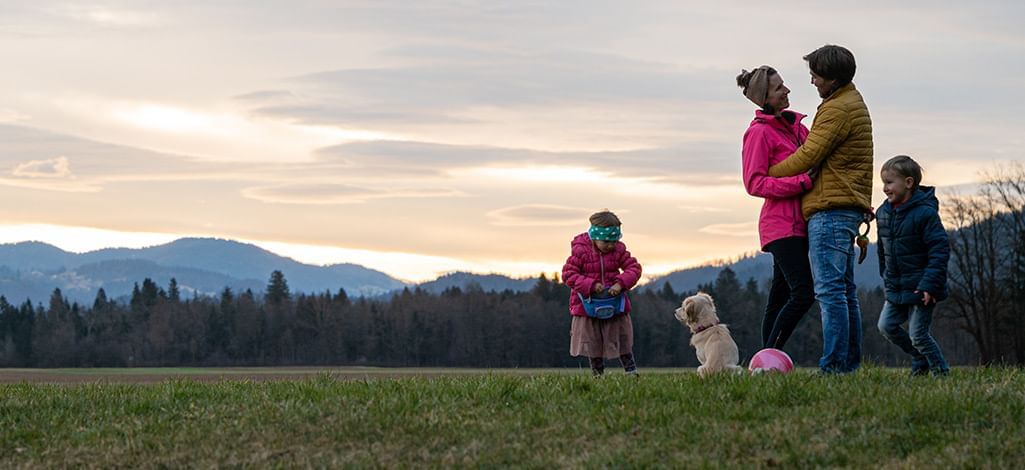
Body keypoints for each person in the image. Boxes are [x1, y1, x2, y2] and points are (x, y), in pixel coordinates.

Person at [767, 44, 874, 374]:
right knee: (844, 291)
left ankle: (834, 366)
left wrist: (770, 172)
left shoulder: (837, 110)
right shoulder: (848, 103)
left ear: (831, 77)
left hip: (831, 208)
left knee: (829, 292)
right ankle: (848, 364)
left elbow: (808, 156)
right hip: (846, 204)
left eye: (815, 75)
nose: (812, 81)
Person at [737, 65, 816, 351]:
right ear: (765, 98)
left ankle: (764, 362)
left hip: (801, 223)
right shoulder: (758, 133)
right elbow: (754, 183)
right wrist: (802, 182)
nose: (787, 90)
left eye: (784, 85)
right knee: (804, 293)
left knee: (780, 296)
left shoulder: (798, 128)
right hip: (781, 226)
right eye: (779, 88)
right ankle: (770, 355)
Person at [875, 155, 951, 376]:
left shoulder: (925, 214)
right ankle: (920, 358)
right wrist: (886, 275)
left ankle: (940, 371)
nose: (885, 188)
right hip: (896, 286)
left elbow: (939, 250)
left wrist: (930, 285)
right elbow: (882, 249)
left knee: (918, 334)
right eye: (883, 183)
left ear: (908, 183)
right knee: (886, 326)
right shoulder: (883, 213)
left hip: (922, 287)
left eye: (889, 182)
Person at [561, 210, 643, 376]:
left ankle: (631, 371)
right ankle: (598, 374)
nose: (610, 245)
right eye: (606, 241)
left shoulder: (618, 250)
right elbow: (568, 275)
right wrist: (590, 285)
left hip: (614, 303)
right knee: (593, 342)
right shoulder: (580, 251)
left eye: (614, 241)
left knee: (622, 338)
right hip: (588, 305)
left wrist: (621, 284)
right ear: (594, 237)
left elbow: (634, 268)